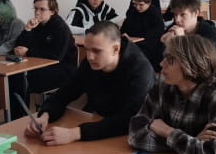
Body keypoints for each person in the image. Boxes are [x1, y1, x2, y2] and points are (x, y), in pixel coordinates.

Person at [24, 21, 155, 144]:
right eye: (87, 49)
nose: (89, 57)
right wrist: (45, 115)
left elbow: (131, 119)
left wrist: (75, 133)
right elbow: (65, 92)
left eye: (97, 51)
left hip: (127, 137)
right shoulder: (91, 63)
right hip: (100, 124)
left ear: (116, 49)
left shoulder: (141, 70)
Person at [12, 0, 78, 119]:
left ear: (53, 11)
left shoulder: (60, 28)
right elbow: (20, 46)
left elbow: (56, 56)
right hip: (42, 66)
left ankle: (22, 117)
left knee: (22, 78)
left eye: (42, 9)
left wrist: (28, 52)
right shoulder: (38, 25)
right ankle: (16, 116)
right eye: (36, 9)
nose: (37, 13)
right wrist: (28, 29)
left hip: (62, 70)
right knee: (14, 77)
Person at [120, 0, 164, 70]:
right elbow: (124, 28)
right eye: (135, 4)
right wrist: (124, 34)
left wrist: (136, 39)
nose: (137, 7)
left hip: (149, 46)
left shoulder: (155, 15)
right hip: (131, 42)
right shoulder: (132, 11)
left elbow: (156, 35)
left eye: (141, 5)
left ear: (149, 3)